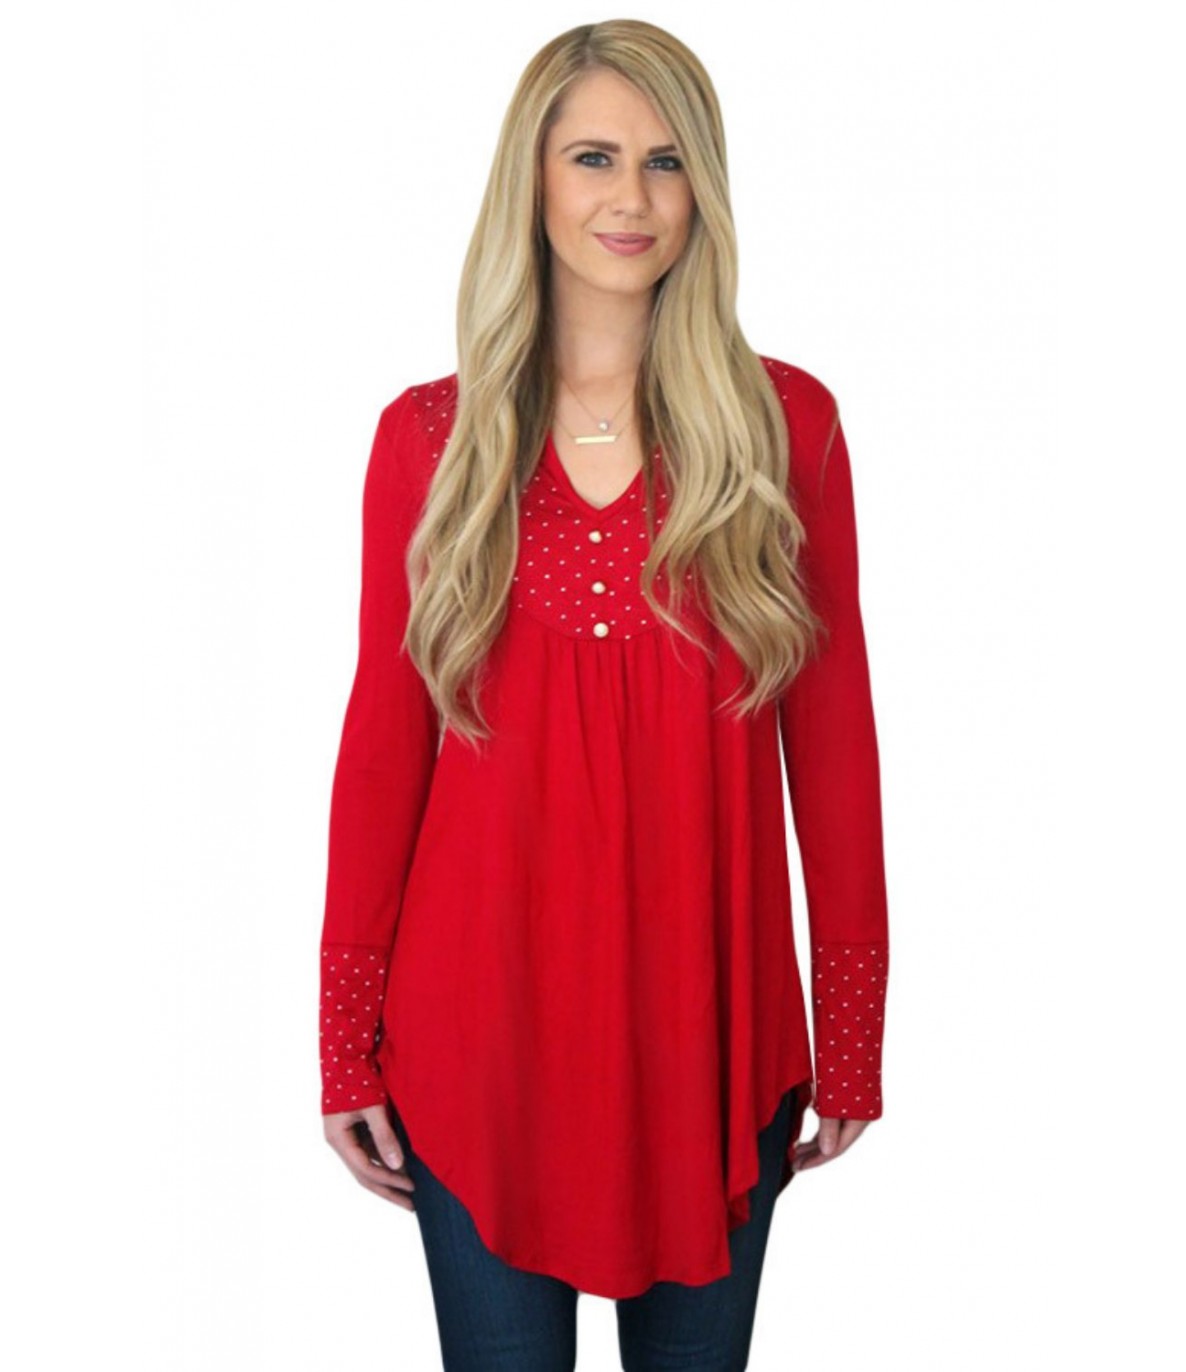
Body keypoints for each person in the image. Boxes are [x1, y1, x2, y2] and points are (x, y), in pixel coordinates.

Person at [317, 18, 890, 1371]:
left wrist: (853, 1030)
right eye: (593, 157)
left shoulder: (783, 427)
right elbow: (383, 752)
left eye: (666, 161)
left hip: (709, 1035)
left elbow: (837, 749)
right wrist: (345, 1043)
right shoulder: (431, 441)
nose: (631, 196)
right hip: (479, 1043)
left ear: (705, 192)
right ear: (532, 177)